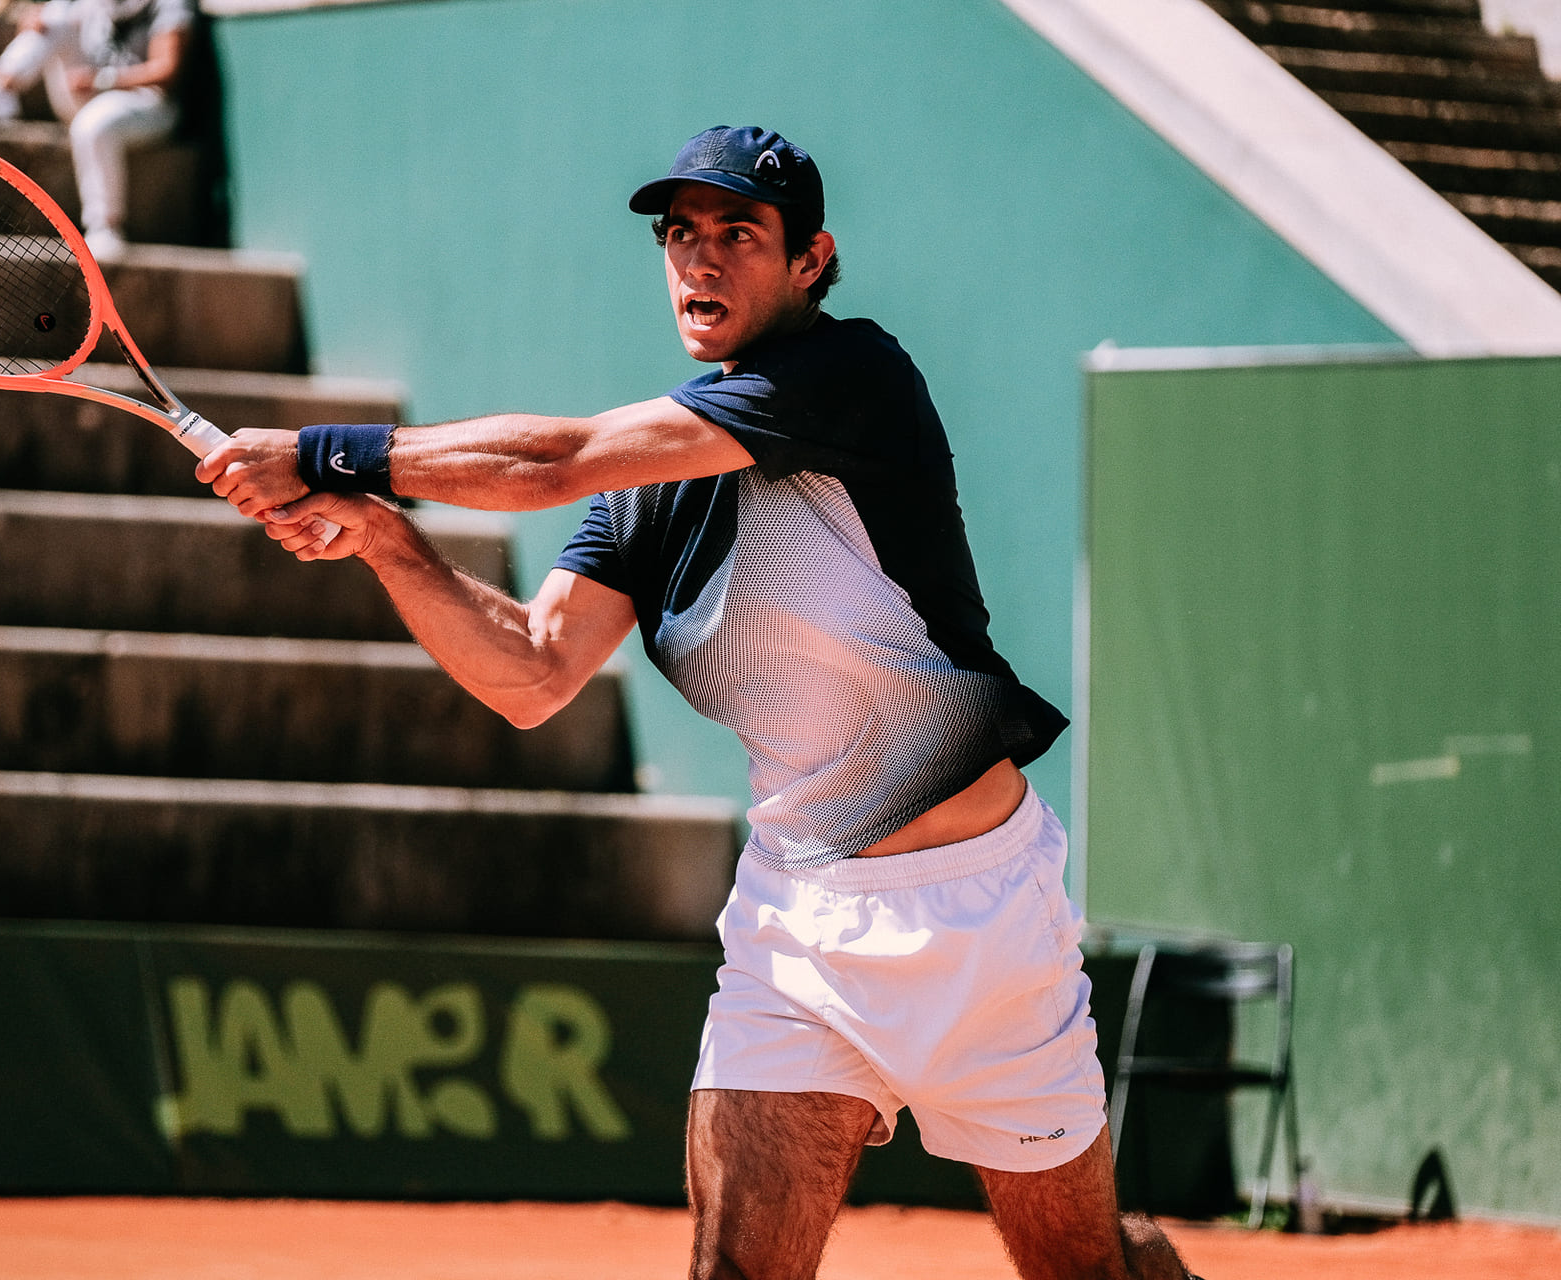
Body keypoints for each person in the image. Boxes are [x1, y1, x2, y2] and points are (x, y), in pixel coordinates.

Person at [196, 125, 1202, 1280]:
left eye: (738, 233)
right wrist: (385, 540)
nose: (701, 258)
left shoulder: (853, 373)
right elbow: (533, 672)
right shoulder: (649, 493)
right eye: (680, 234)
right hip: (797, 923)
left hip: (982, 919)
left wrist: (326, 454)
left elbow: (561, 459)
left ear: (810, 261)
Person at [0, 0, 193, 259]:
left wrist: (102, 80)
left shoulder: (171, 4)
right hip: (88, 90)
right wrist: (34, 16)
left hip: (147, 103)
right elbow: (53, 16)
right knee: (53, 18)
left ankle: (105, 228)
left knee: (93, 122)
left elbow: (166, 70)